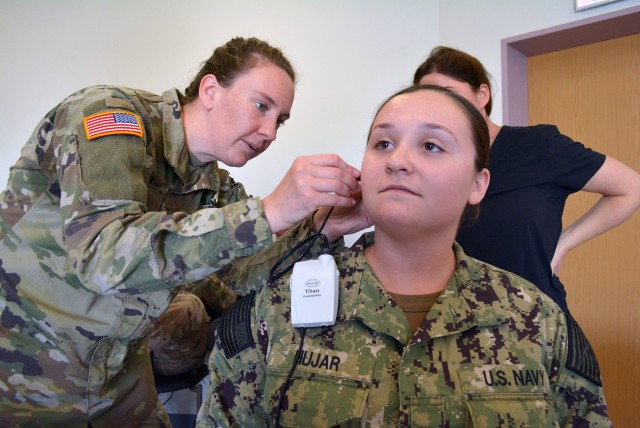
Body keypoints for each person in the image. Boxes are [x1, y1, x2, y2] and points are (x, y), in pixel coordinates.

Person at [0, 36, 365, 427]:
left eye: (280, 120)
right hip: (24, 372)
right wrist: (269, 212)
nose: (271, 132)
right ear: (210, 90)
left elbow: (237, 278)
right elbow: (103, 256)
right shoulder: (111, 117)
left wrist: (321, 229)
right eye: (261, 106)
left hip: (116, 377)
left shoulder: (216, 188)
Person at [198, 84, 610, 427]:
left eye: (431, 145)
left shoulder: (538, 321)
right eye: (383, 143)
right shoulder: (276, 309)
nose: (397, 160)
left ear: (478, 184)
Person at [413, 45, 640, 386]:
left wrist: (563, 245)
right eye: (426, 97)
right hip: (454, 328)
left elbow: (629, 188)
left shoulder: (539, 146)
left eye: (448, 94)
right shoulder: (429, 162)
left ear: (482, 94)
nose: (439, 107)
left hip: (534, 325)